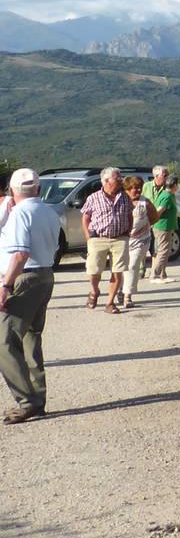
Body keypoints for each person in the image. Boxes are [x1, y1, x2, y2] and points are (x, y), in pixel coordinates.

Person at [1, 168, 63, 423]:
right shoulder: (50, 212)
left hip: (24, 278)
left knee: (4, 341)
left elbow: (20, 254)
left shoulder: (19, 214)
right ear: (38, 189)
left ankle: (27, 401)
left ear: (12, 190)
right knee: (31, 339)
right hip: (45, 274)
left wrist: (6, 285)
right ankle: (37, 398)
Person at [80, 166, 132, 312]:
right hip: (98, 238)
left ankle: (110, 303)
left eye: (120, 177)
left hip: (120, 238)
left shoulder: (125, 197)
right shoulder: (93, 198)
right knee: (94, 271)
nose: (121, 180)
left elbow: (130, 215)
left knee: (117, 271)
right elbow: (85, 217)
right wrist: (88, 237)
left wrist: (128, 232)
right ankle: (94, 291)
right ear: (106, 181)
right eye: (117, 177)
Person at [119, 175, 157, 310]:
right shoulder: (121, 201)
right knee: (120, 267)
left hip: (141, 240)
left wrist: (143, 228)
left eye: (139, 188)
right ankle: (121, 289)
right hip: (123, 239)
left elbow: (155, 217)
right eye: (134, 188)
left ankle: (127, 296)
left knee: (132, 266)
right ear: (127, 189)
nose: (138, 190)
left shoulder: (145, 203)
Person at [147, 165, 180, 282]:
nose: (178, 187)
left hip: (168, 227)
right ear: (174, 185)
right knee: (163, 251)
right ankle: (154, 275)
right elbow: (158, 212)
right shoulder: (166, 196)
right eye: (177, 184)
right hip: (162, 227)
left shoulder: (170, 195)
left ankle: (162, 275)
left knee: (166, 251)